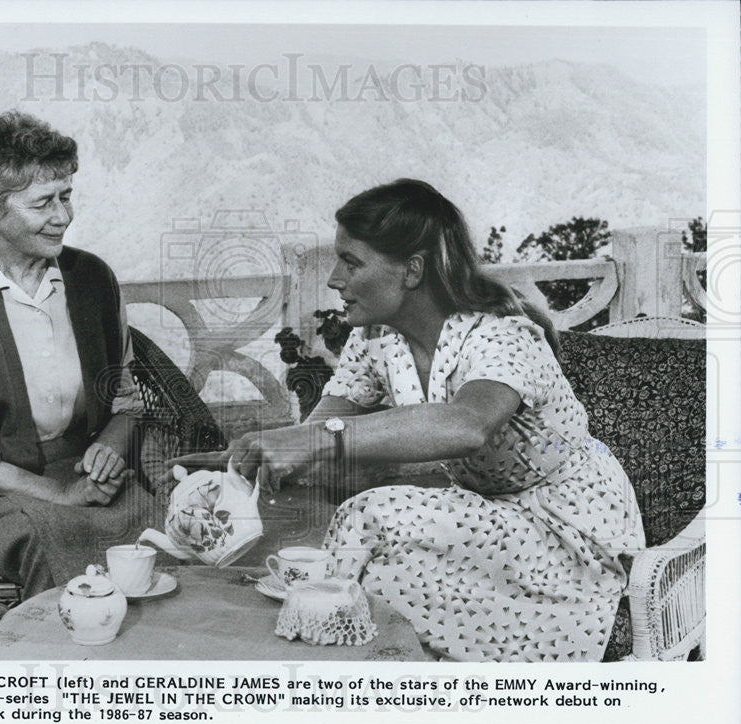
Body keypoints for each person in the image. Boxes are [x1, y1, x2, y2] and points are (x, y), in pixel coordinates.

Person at [222, 179, 645, 661]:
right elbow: (317, 439)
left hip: (569, 532)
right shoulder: (375, 338)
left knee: (374, 521)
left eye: (352, 261)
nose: (334, 278)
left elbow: (468, 425)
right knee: (370, 560)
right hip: (487, 517)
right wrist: (254, 456)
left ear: (412, 271)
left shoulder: (500, 335)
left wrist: (318, 438)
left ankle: (357, 666)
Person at [0, 111, 150, 599]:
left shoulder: (94, 279)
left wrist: (111, 448)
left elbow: (126, 399)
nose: (64, 216)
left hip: (81, 472)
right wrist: (60, 494)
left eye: (67, 196)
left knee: (157, 528)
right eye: (43, 203)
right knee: (56, 540)